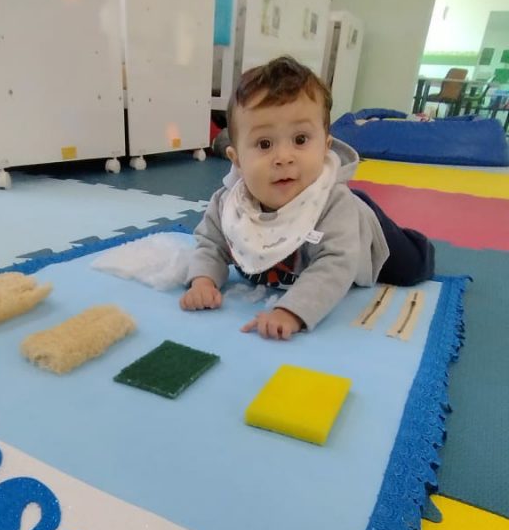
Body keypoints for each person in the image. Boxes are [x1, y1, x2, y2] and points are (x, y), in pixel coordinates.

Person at [180, 56, 434, 340]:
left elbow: (335, 263)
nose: (284, 157)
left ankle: (409, 238)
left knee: (412, 269)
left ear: (325, 147)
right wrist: (203, 281)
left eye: (300, 140)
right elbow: (210, 245)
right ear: (237, 159)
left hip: (363, 228)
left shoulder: (334, 205)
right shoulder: (228, 206)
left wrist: (292, 311)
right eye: (264, 144)